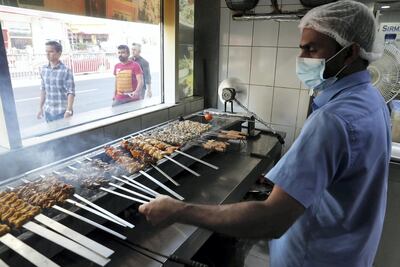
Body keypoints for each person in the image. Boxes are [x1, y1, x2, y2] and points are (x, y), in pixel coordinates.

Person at [139, 1, 391, 266]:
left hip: (314, 257)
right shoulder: (373, 100)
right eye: (301, 48)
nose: (302, 58)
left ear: (350, 53)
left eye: (312, 49)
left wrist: (179, 210)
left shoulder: (332, 120)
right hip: (349, 253)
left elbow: (271, 220)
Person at [37, 41, 75, 122]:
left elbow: (71, 92)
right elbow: (43, 89)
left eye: (51, 51)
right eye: (46, 52)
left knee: (65, 134)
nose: (47, 54)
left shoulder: (66, 70)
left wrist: (69, 110)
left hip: (62, 112)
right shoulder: (44, 69)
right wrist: (40, 108)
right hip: (48, 112)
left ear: (59, 53)